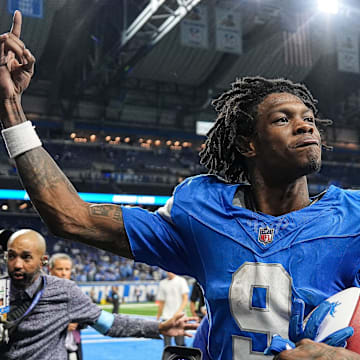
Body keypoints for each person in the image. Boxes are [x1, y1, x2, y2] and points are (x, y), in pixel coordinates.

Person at [0, 11, 360, 359]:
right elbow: (71, 216)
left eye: (309, 119)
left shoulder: (352, 216)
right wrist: (11, 107)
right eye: (284, 119)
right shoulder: (203, 212)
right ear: (247, 144)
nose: (306, 126)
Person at [0, 229, 197, 359]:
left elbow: (110, 323)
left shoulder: (64, 292)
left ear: (43, 261)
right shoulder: (2, 289)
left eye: (26, 257)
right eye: (11, 256)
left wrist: (159, 327)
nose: (17, 264)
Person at [49, 253, 83, 360]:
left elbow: (87, 318)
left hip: (73, 351)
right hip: (51, 352)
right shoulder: (42, 292)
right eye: (60, 269)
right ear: (50, 269)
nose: (64, 273)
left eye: (67, 269)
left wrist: (77, 323)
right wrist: (61, 325)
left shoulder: (76, 291)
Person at [156, 272, 189, 347]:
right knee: (167, 344)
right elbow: (161, 302)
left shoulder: (181, 281)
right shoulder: (162, 283)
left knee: (180, 344)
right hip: (166, 317)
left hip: (179, 318)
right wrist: (158, 316)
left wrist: (179, 312)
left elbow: (185, 298)